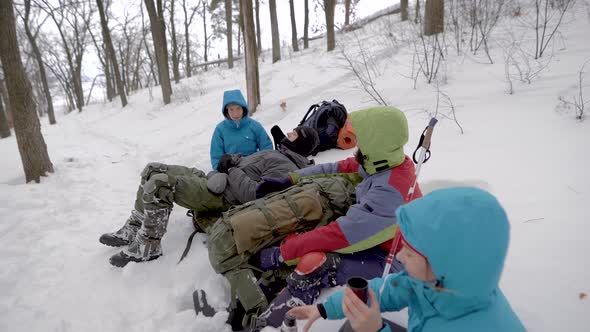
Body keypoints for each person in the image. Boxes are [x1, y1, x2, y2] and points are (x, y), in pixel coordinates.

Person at [246, 106, 423, 329]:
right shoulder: (383, 162)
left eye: (361, 140)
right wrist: (291, 179)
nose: (357, 145)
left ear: (375, 142)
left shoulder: (391, 191)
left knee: (315, 263)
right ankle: (269, 293)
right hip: (374, 243)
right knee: (301, 239)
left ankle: (272, 324)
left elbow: (340, 234)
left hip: (395, 263)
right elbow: (336, 168)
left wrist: (280, 254)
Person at [288, 187, 526, 332]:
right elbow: (384, 291)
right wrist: (324, 308)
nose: (400, 256)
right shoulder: (433, 282)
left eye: (410, 253)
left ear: (442, 265)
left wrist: (376, 330)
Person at [99, 126, 319, 268]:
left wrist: (231, 169)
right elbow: (248, 165)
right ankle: (133, 227)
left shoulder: (285, 166)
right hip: (214, 180)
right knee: (152, 169)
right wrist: (232, 158)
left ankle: (148, 245)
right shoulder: (277, 154)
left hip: (221, 196)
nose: (289, 133)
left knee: (159, 184)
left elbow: (254, 195)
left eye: (294, 134)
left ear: (300, 143)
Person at [210, 89, 273, 170]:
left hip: (253, 166)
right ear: (226, 111)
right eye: (231, 109)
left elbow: (267, 147)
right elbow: (216, 156)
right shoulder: (220, 130)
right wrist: (220, 170)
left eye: (238, 108)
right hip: (231, 170)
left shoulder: (254, 126)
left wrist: (264, 165)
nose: (235, 114)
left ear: (243, 108)